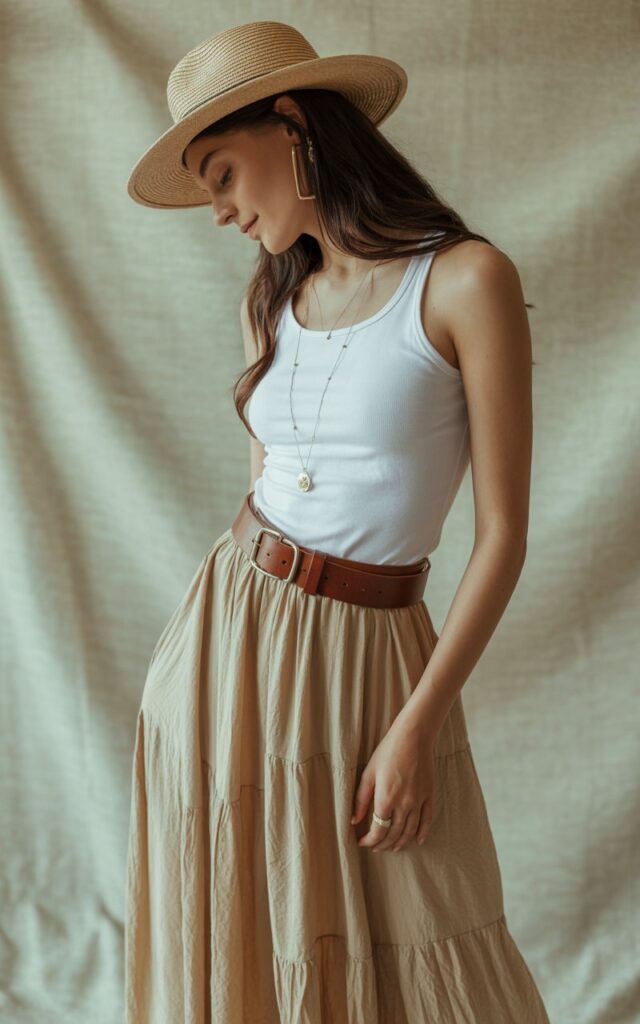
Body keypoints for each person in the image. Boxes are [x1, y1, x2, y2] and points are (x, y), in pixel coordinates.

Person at [124, 19, 551, 1024]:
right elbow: (275, 487)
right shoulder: (272, 300)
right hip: (226, 639)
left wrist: (419, 721)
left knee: (419, 912)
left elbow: (502, 537)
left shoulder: (463, 281)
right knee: (251, 910)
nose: (219, 212)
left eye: (221, 174)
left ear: (290, 125)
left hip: (373, 656)